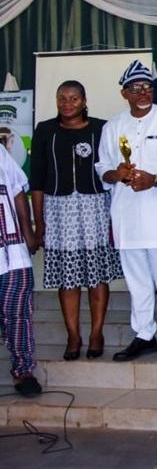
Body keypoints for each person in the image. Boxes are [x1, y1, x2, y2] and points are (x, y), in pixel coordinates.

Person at [96, 61, 157, 363]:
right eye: (136, 88)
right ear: (124, 93)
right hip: (127, 215)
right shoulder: (113, 127)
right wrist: (117, 173)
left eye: (147, 87)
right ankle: (144, 334)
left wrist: (156, 178)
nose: (143, 93)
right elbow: (102, 169)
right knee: (137, 281)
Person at [30, 81, 122, 362]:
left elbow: (111, 168)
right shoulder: (45, 130)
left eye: (73, 98)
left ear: (84, 100)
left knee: (96, 276)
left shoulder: (101, 128)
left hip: (95, 207)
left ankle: (96, 333)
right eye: (61, 98)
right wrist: (39, 222)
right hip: (58, 210)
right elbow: (37, 179)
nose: (67, 103)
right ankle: (73, 335)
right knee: (67, 277)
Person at [0, 146, 42, 396]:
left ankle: (23, 371)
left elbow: (16, 191)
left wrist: (28, 233)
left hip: (12, 252)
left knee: (17, 314)